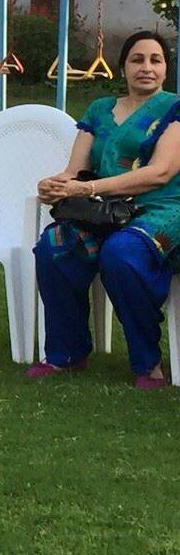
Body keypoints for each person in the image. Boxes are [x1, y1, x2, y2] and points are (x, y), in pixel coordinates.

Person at [30, 32, 180, 390]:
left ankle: (147, 362)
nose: (146, 67)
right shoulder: (98, 110)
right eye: (137, 59)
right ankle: (67, 354)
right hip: (105, 211)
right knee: (55, 244)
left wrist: (88, 188)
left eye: (155, 60)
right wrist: (54, 184)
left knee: (122, 253)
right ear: (123, 67)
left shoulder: (175, 108)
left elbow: (160, 172)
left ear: (165, 69)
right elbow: (75, 169)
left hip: (162, 209)